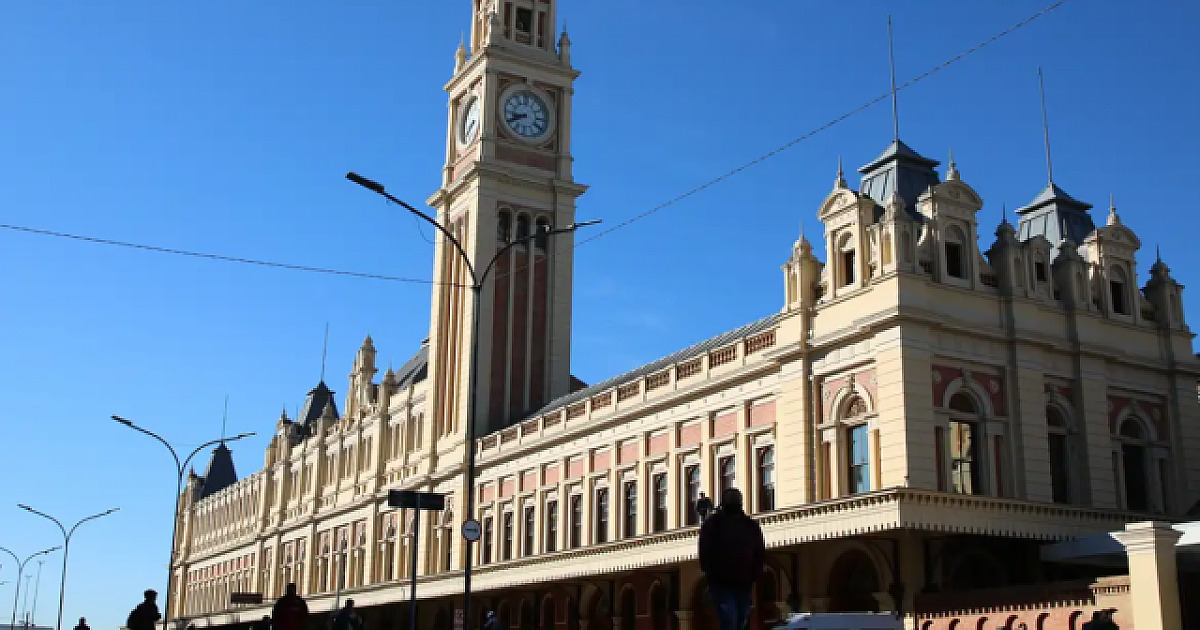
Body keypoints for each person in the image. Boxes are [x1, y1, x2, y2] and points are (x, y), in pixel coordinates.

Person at [698, 488, 765, 630]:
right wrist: (712, 573)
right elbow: (705, 551)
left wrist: (754, 574)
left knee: (740, 619)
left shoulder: (750, 526)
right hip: (721, 583)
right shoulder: (713, 525)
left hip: (743, 582)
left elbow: (759, 552)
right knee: (729, 619)